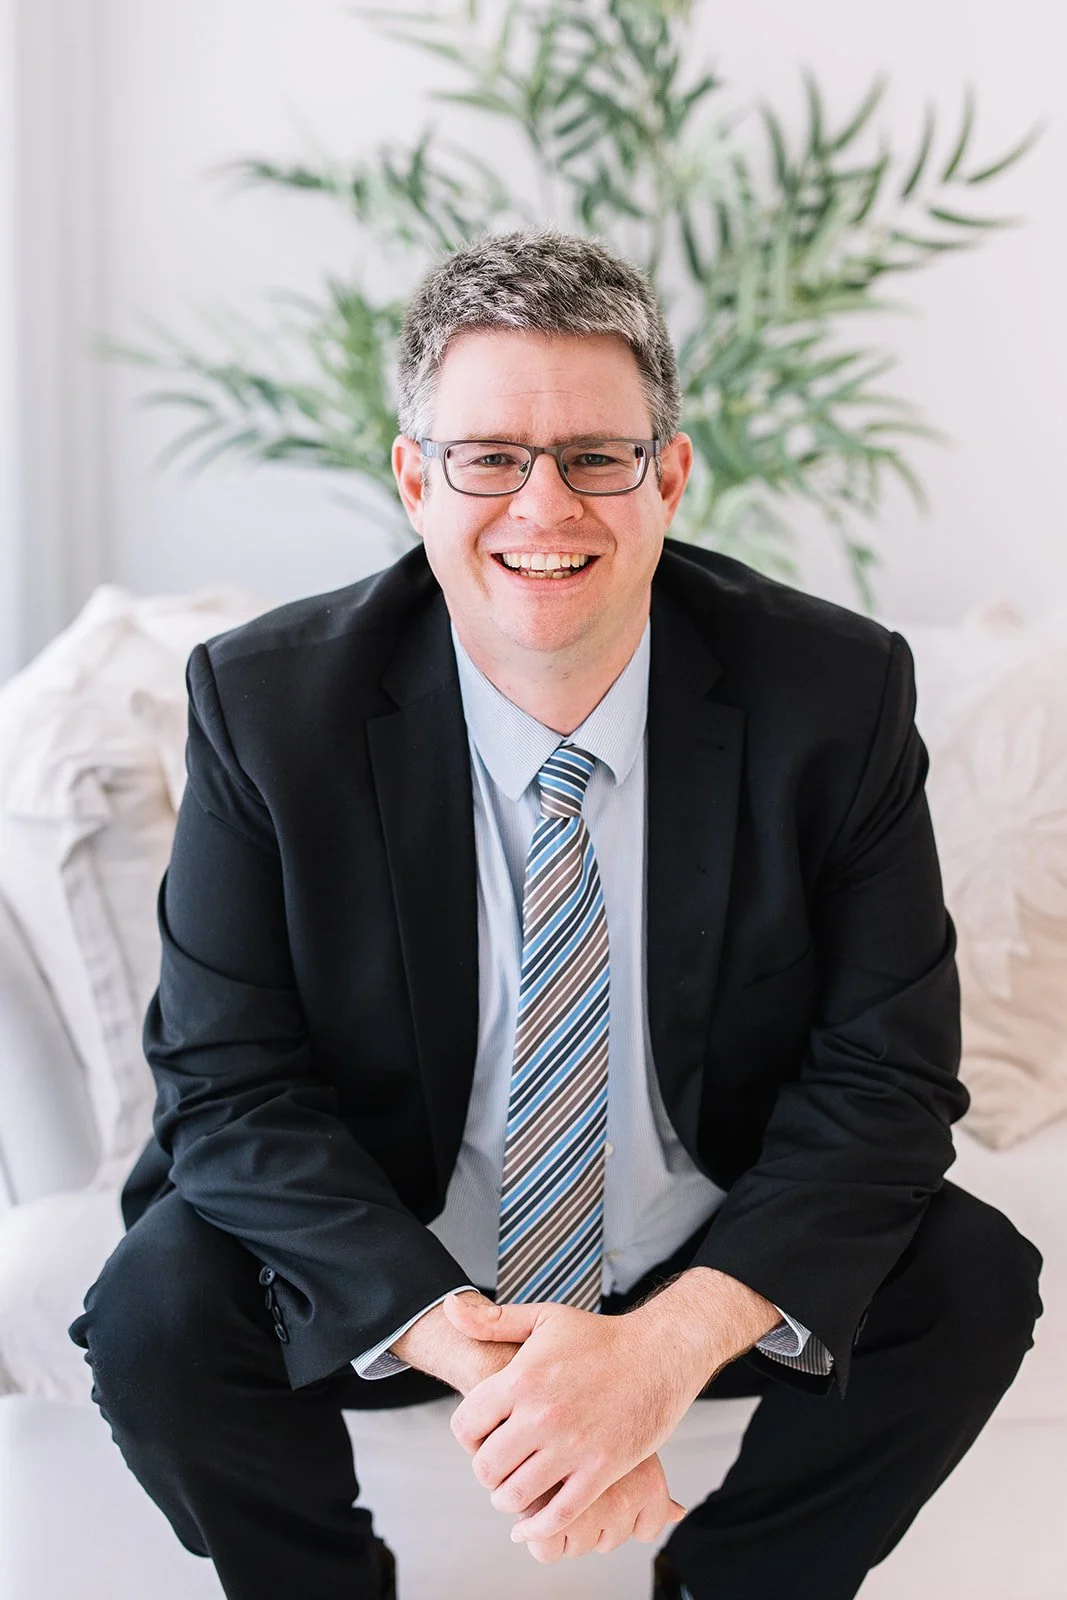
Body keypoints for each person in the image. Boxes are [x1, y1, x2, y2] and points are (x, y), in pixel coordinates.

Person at [70, 227, 1043, 1600]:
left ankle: (728, 1585)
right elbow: (227, 1088)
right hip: (396, 1255)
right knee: (155, 1308)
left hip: (688, 1247)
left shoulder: (832, 693)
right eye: (488, 459)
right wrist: (482, 1357)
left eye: (596, 456)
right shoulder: (270, 704)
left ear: (669, 478)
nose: (545, 508)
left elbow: (884, 1081)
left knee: (970, 1277)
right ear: (416, 479)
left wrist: (650, 1361)